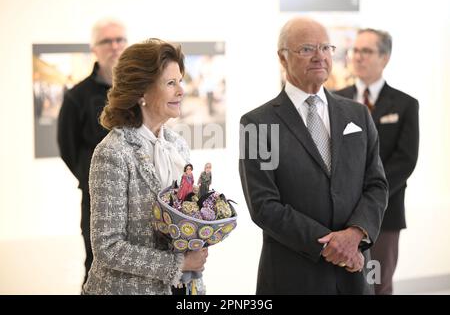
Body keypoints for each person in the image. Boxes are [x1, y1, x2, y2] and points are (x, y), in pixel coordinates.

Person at [239, 17, 388, 294]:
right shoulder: (257, 124)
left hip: (354, 275)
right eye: (307, 49)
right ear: (283, 58)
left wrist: (355, 234)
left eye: (326, 48)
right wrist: (332, 245)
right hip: (293, 276)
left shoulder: (358, 115)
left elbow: (376, 185)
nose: (320, 56)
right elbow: (264, 205)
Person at [82, 38, 208, 295]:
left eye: (180, 81)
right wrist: (178, 263)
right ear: (142, 92)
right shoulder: (112, 152)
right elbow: (108, 247)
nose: (181, 91)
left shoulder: (178, 146)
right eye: (171, 83)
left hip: (182, 288)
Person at [335, 28, 419, 295]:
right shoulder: (333, 100)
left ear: (385, 58)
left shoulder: (405, 104)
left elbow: (405, 161)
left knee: (379, 284)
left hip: (385, 214)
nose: (358, 57)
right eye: (355, 50)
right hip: (340, 214)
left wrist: (371, 197)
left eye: (367, 51)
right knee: (343, 284)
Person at [57, 18, 128, 287]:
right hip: (96, 199)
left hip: (137, 198)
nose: (115, 46)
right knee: (97, 267)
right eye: (107, 41)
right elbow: (68, 147)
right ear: (94, 49)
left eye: (120, 39)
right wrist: (93, 179)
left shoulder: (137, 92)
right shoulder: (77, 96)